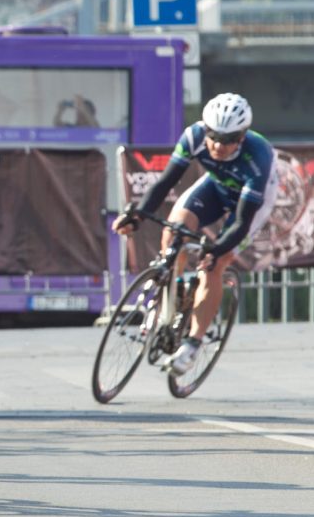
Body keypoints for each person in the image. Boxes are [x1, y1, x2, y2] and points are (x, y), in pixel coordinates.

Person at [113, 93, 277, 375]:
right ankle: (172, 297)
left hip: (248, 204)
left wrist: (216, 249)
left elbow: (241, 222)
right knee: (173, 231)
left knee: (215, 265)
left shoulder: (258, 158)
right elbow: (165, 183)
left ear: (241, 137)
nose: (217, 145)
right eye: (213, 135)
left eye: (227, 139)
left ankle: (192, 343)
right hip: (215, 186)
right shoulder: (194, 136)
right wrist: (137, 215)